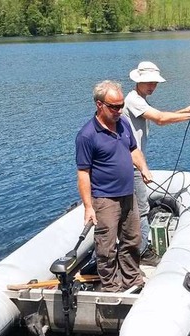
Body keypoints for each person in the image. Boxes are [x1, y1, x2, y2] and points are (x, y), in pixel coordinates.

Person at [123, 61, 190, 266]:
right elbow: (160, 119)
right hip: (132, 163)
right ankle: (144, 253)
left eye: (154, 83)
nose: (152, 86)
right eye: (148, 82)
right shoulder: (133, 100)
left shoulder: (139, 99)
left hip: (133, 161)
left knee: (137, 206)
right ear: (139, 81)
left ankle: (135, 247)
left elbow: (157, 116)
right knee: (142, 207)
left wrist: (183, 111)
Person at [75, 80, 152, 292]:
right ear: (99, 105)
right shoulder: (87, 135)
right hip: (105, 198)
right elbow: (83, 173)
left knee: (132, 239)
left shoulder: (124, 123)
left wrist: (143, 168)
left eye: (121, 106)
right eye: (114, 106)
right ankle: (110, 285)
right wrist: (88, 207)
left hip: (128, 194)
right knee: (106, 246)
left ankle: (131, 278)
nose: (119, 110)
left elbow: (133, 150)